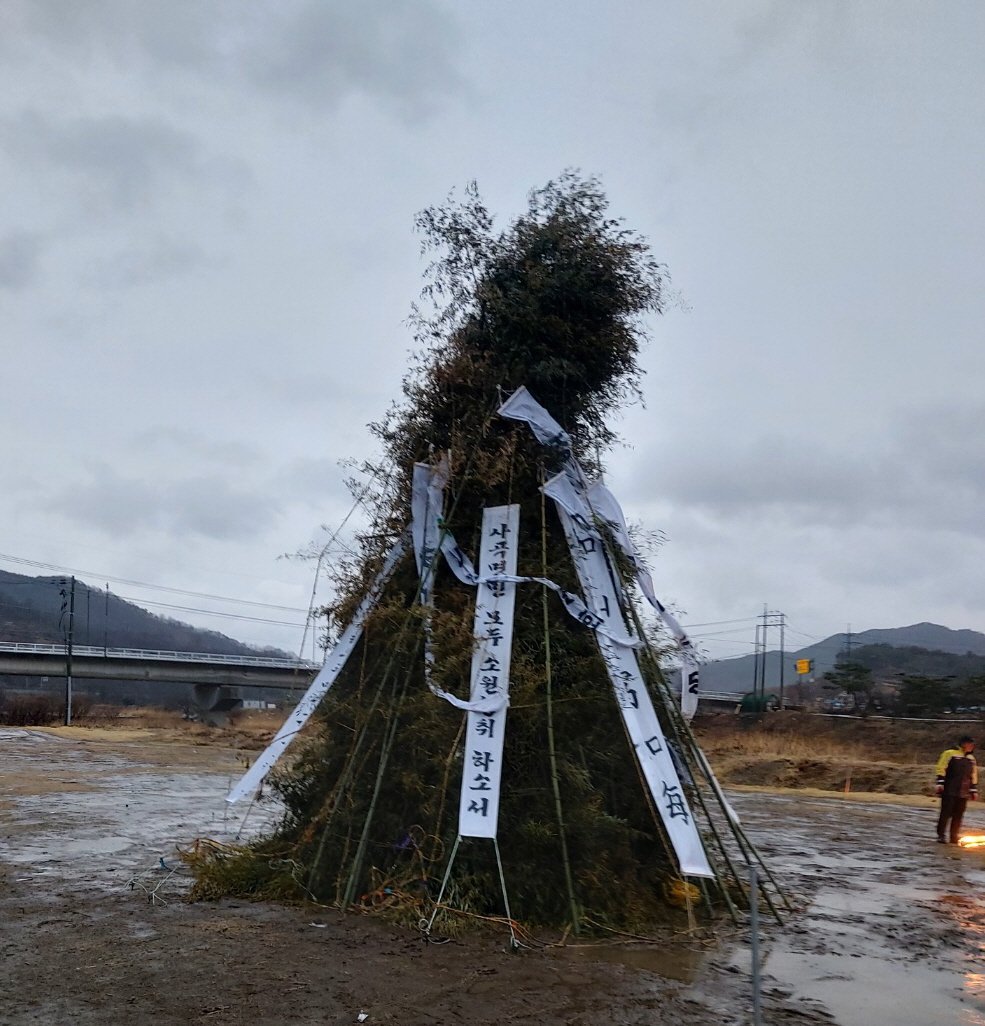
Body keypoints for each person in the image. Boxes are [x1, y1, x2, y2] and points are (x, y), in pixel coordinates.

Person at [935, 735, 978, 844]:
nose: (971, 746)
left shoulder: (971, 759)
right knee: (946, 813)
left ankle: (954, 836)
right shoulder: (950, 753)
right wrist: (940, 782)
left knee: (958, 814)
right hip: (950, 788)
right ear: (963, 744)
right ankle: (941, 835)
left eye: (972, 745)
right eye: (969, 744)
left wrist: (973, 789)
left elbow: (973, 774)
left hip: (964, 791)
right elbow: (941, 767)